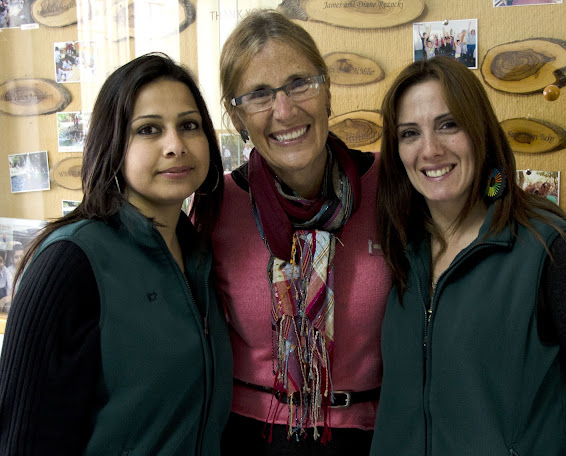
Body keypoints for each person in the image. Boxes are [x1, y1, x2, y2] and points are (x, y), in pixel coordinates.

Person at [371, 57, 566, 456]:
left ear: (480, 130)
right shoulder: (401, 248)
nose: (430, 150)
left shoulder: (551, 248)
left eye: (448, 125)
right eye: (410, 133)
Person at [0, 53, 232, 455]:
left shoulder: (199, 253)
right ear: (113, 144)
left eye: (189, 125)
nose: (176, 145)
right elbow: (22, 440)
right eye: (148, 129)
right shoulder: (70, 262)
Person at [207, 9, 392, 455]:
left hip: (370, 436)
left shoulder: (391, 187)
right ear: (237, 117)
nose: (284, 110)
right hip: (251, 438)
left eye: (299, 83)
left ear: (327, 91)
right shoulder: (218, 204)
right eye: (259, 94)